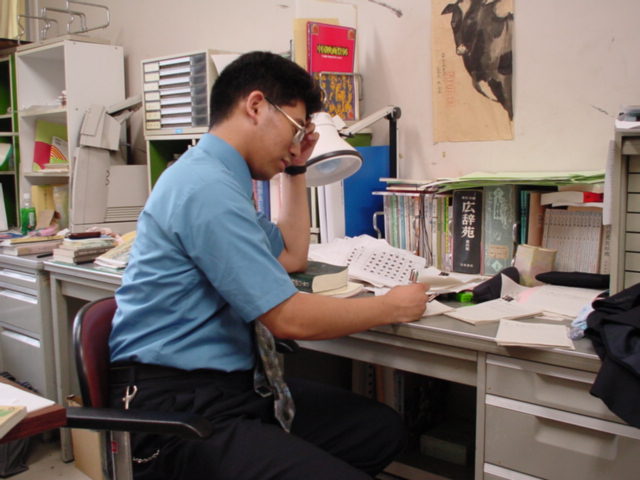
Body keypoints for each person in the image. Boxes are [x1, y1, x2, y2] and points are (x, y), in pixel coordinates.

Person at [108, 51, 430, 479]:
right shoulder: (205, 187)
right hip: (175, 411)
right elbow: (287, 318)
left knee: (378, 431)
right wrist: (391, 307)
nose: (296, 144)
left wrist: (295, 170)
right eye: (296, 129)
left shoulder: (220, 178)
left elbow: (292, 254)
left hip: (230, 389)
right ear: (256, 106)